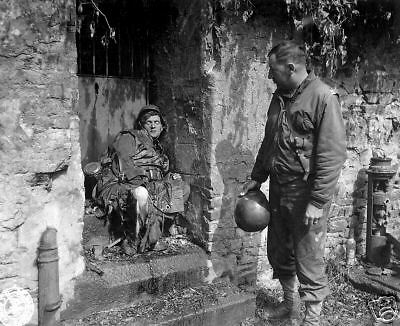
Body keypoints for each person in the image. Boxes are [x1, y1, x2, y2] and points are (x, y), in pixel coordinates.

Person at [240, 41, 346, 326]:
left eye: (273, 70)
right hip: (279, 189)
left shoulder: (323, 97)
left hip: (305, 194)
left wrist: (317, 202)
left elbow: (332, 155)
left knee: (308, 259)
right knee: (279, 251)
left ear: (291, 68)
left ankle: (311, 320)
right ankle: (291, 308)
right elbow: (269, 141)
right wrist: (257, 177)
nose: (270, 76)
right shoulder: (279, 97)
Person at [91, 104, 188, 255]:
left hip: (151, 185)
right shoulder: (130, 137)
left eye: (157, 122)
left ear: (162, 126)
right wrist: (141, 181)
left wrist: (170, 177)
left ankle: (152, 236)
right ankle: (132, 239)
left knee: (182, 189)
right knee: (141, 193)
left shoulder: (158, 148)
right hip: (126, 184)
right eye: (149, 122)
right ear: (142, 124)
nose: (153, 125)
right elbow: (123, 162)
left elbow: (160, 173)